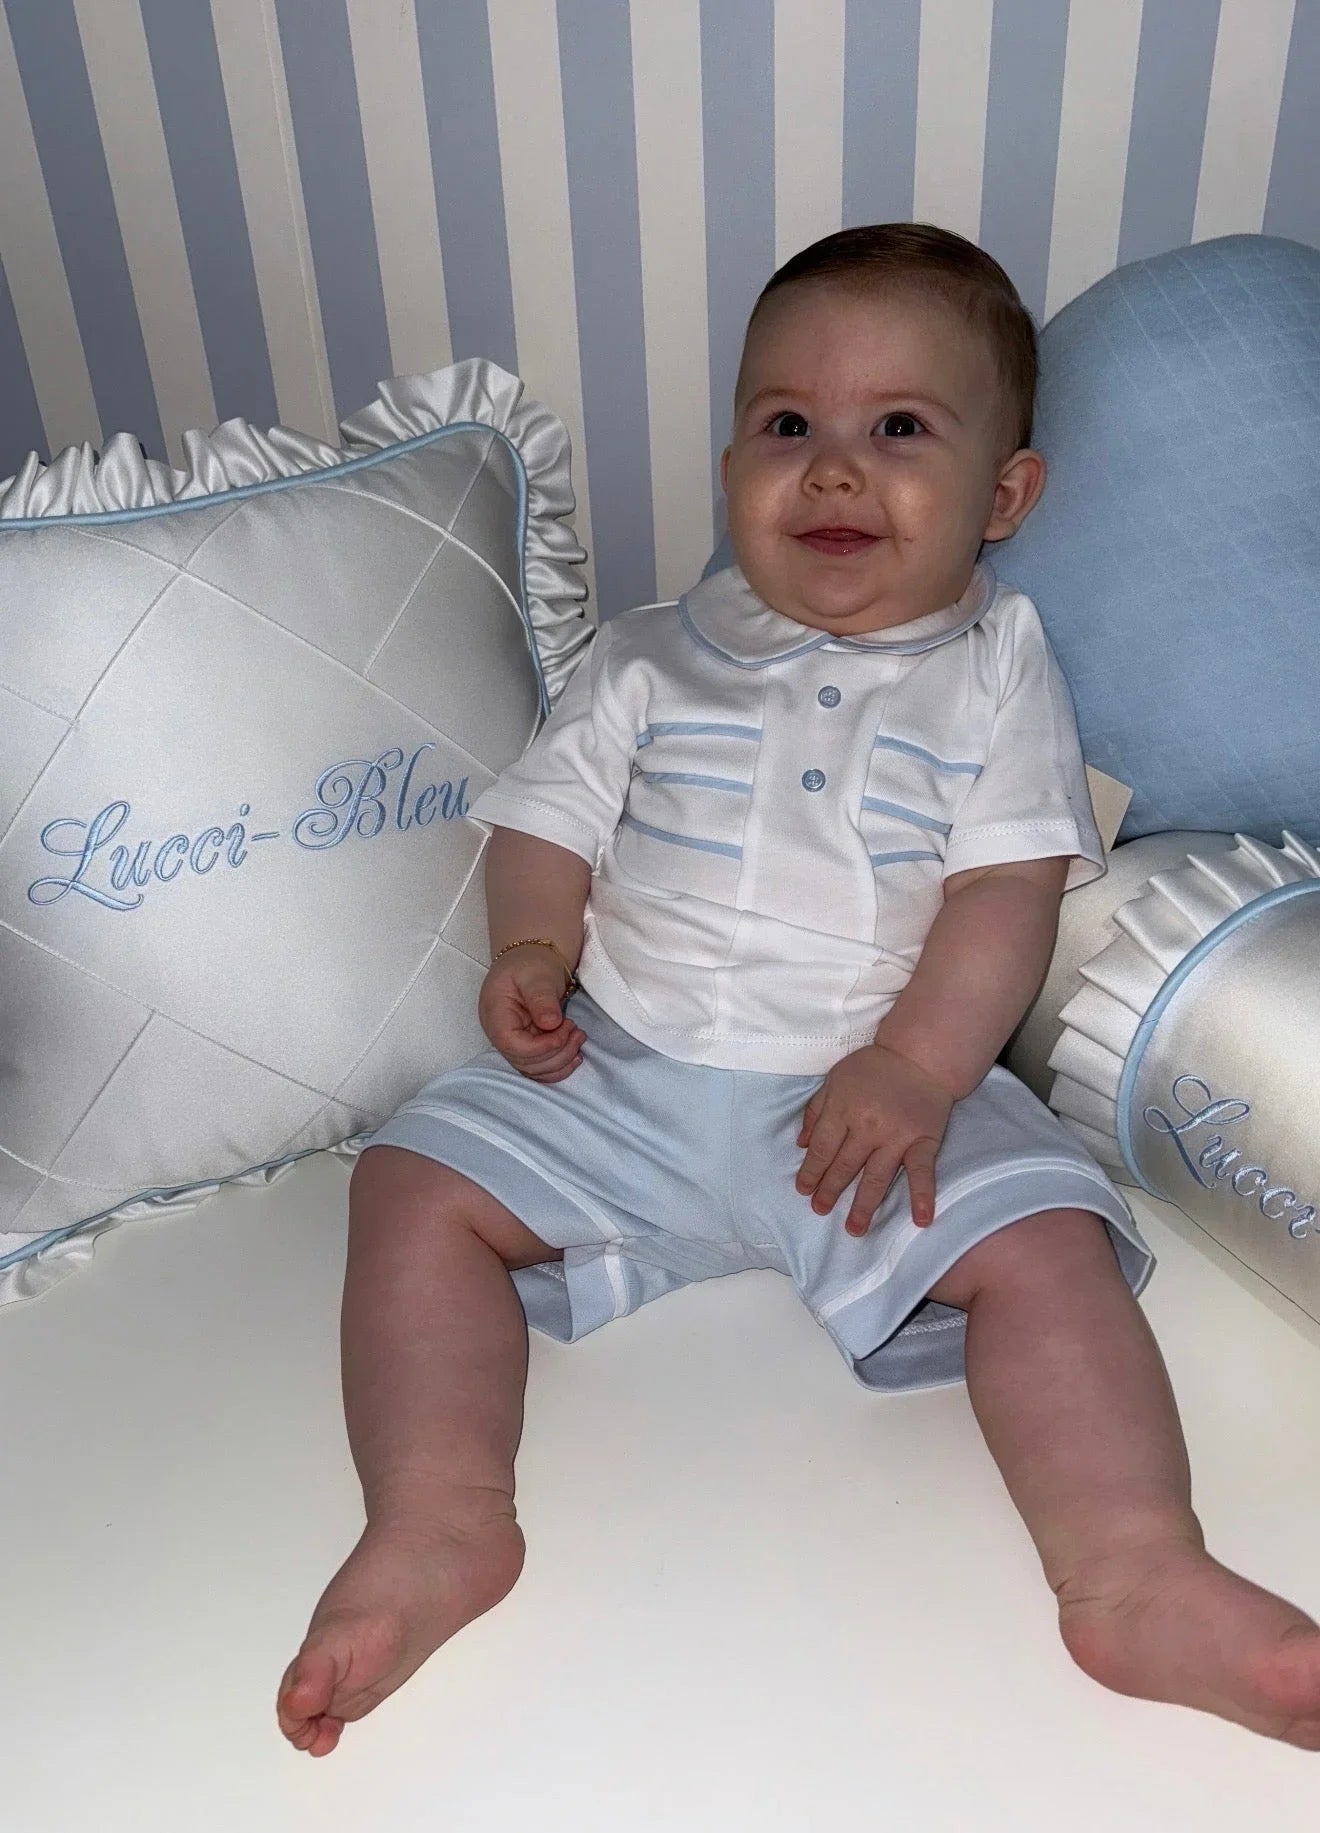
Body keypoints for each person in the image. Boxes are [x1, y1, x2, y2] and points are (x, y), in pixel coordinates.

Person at [278, 224, 1320, 1757]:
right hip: (617, 1077)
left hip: (876, 1104)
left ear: (1006, 497)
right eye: (789, 427)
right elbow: (546, 829)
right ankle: (439, 1520)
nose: (834, 469)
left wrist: (920, 1064)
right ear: (730, 470)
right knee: (411, 1182)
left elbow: (1006, 890)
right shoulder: (644, 655)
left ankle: (1132, 1570)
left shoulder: (997, 665)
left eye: (900, 429)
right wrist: (529, 953)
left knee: (1048, 1246)